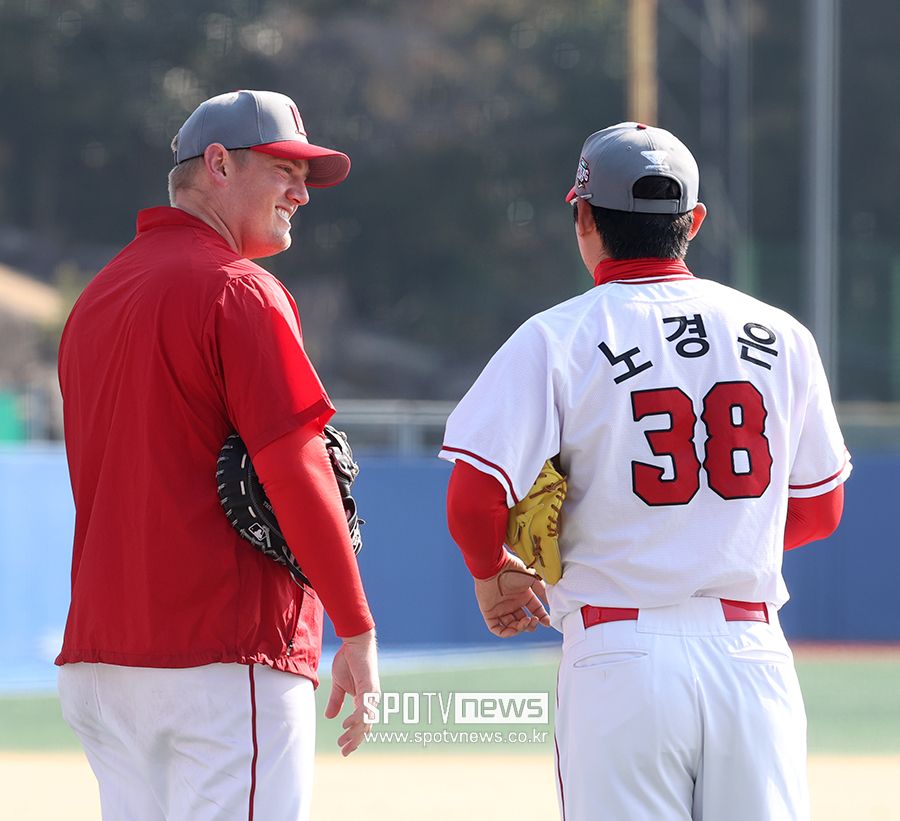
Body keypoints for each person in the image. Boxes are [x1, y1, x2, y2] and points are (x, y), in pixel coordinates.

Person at [440, 122, 851, 820]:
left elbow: (473, 497)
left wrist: (492, 570)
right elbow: (820, 510)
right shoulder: (782, 333)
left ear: (583, 216)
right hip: (749, 653)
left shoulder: (556, 336)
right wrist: (706, 539)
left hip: (617, 652)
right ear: (694, 221)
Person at [56, 89, 379, 821]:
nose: (302, 192)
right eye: (284, 169)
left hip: (103, 663)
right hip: (223, 658)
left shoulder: (95, 300)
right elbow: (295, 467)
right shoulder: (240, 290)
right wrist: (356, 627)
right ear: (219, 165)